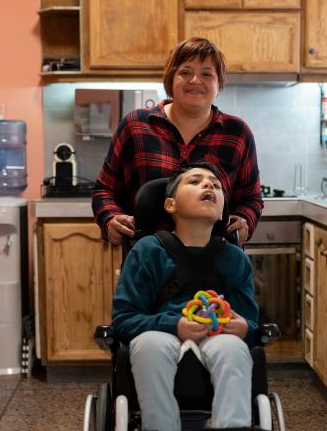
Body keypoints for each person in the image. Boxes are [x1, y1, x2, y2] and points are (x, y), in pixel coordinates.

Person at [111, 160, 259, 431]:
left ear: (223, 209)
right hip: (161, 332)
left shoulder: (234, 259)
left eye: (216, 185)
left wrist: (243, 328)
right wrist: (174, 325)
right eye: (195, 181)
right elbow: (125, 319)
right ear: (170, 205)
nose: (208, 185)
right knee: (149, 345)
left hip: (218, 337)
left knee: (234, 348)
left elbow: (250, 323)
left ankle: (233, 426)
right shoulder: (147, 251)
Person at [91, 37, 263, 246]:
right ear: (171, 81)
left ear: (219, 85)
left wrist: (246, 221)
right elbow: (106, 190)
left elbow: (250, 199)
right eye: (185, 72)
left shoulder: (238, 134)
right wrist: (110, 220)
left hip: (217, 260)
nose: (195, 80)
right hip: (147, 261)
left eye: (207, 74)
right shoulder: (135, 126)